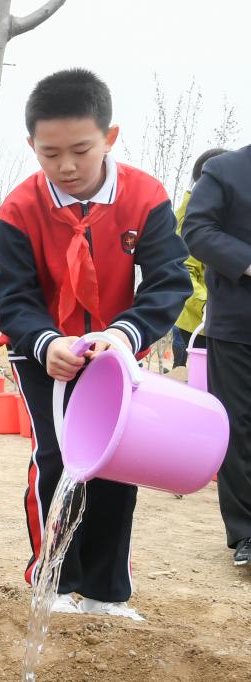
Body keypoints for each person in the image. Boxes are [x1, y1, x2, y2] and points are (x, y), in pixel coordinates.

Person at [0, 69, 190, 621]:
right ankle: (52, 580)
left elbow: (170, 280)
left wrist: (125, 334)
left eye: (81, 149)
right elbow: (9, 295)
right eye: (50, 154)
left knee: (117, 466)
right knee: (55, 461)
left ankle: (104, 592)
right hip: (43, 355)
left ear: (111, 136)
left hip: (118, 354)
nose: (67, 167)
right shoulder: (18, 208)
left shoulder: (146, 198)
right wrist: (43, 339)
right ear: (32, 145)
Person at [183, 144, 251, 567]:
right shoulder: (225, 171)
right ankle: (246, 532)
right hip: (239, 326)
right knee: (240, 428)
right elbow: (197, 229)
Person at [171, 148, 228, 367]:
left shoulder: (222, 212)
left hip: (219, 321)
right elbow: (183, 271)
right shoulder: (192, 217)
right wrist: (205, 305)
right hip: (195, 324)